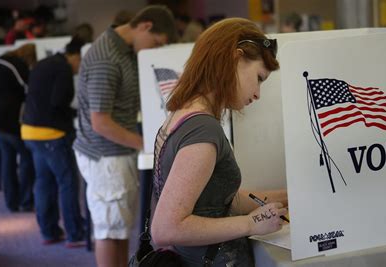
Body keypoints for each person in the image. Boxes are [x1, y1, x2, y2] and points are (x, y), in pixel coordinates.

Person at [150, 18, 288, 266]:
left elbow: (216, 201)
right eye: (258, 77)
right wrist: (251, 223)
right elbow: (165, 229)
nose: (257, 93)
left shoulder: (185, 115)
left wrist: (289, 197)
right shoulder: (203, 130)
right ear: (235, 59)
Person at [73, 5, 177, 267]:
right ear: (146, 26)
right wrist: (146, 145)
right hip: (106, 157)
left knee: (119, 229)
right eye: (155, 42)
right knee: (109, 231)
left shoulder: (126, 52)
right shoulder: (107, 57)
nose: (154, 49)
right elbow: (101, 123)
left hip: (117, 153)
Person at [21, 37, 86, 247]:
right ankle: (75, 233)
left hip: (30, 131)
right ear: (74, 57)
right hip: (50, 134)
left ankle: (49, 231)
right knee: (67, 182)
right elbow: (58, 102)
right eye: (81, 62)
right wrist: (76, 114)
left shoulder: (45, 63)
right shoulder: (64, 69)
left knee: (44, 182)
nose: (80, 68)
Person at [0, 43, 36, 212]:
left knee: (7, 159)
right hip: (8, 121)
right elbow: (30, 90)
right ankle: (26, 200)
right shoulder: (18, 66)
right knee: (27, 157)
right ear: (28, 57)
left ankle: (11, 202)